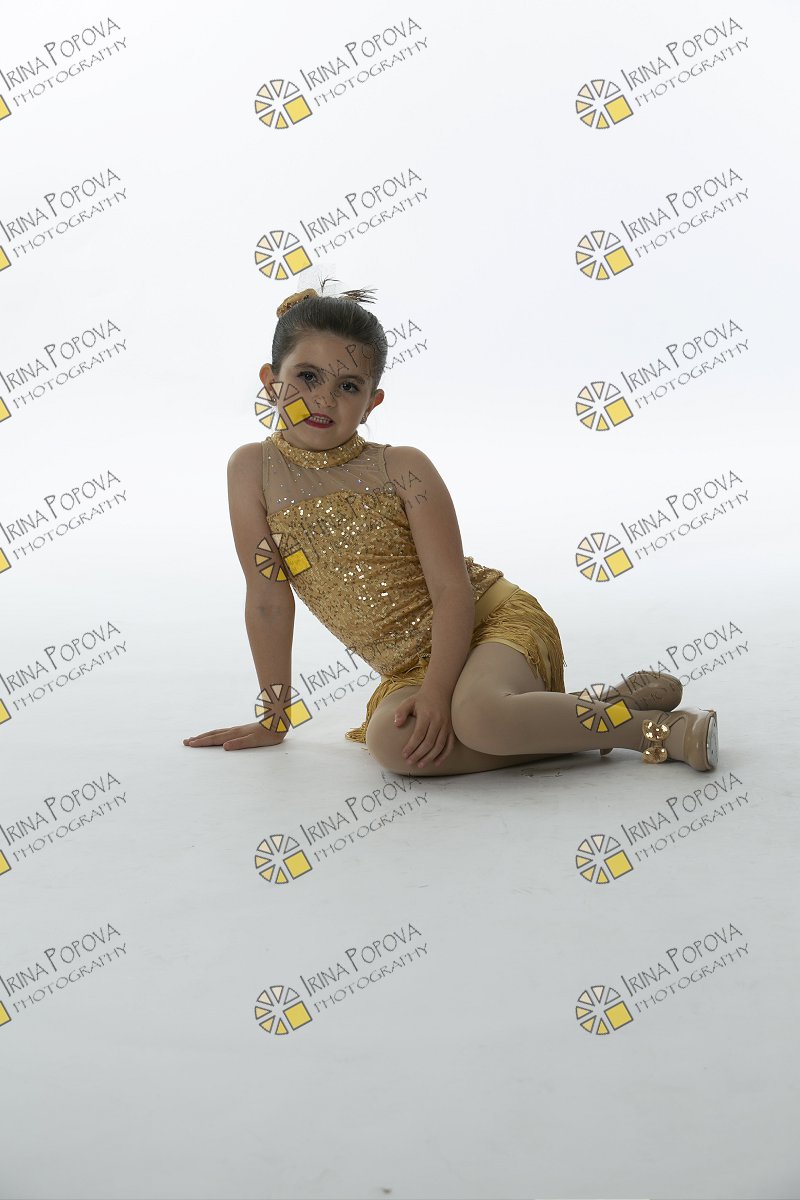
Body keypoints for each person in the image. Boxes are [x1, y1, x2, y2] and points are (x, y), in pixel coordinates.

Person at [183, 279, 718, 777]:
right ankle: (594, 710)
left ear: (371, 403)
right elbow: (268, 600)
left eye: (347, 385)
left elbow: (451, 590)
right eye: (307, 376)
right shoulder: (251, 470)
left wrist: (440, 693)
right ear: (270, 381)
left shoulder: (402, 467)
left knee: (476, 717)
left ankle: (656, 730)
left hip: (489, 624)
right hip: (410, 667)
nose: (324, 398)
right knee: (396, 746)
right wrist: (274, 718)